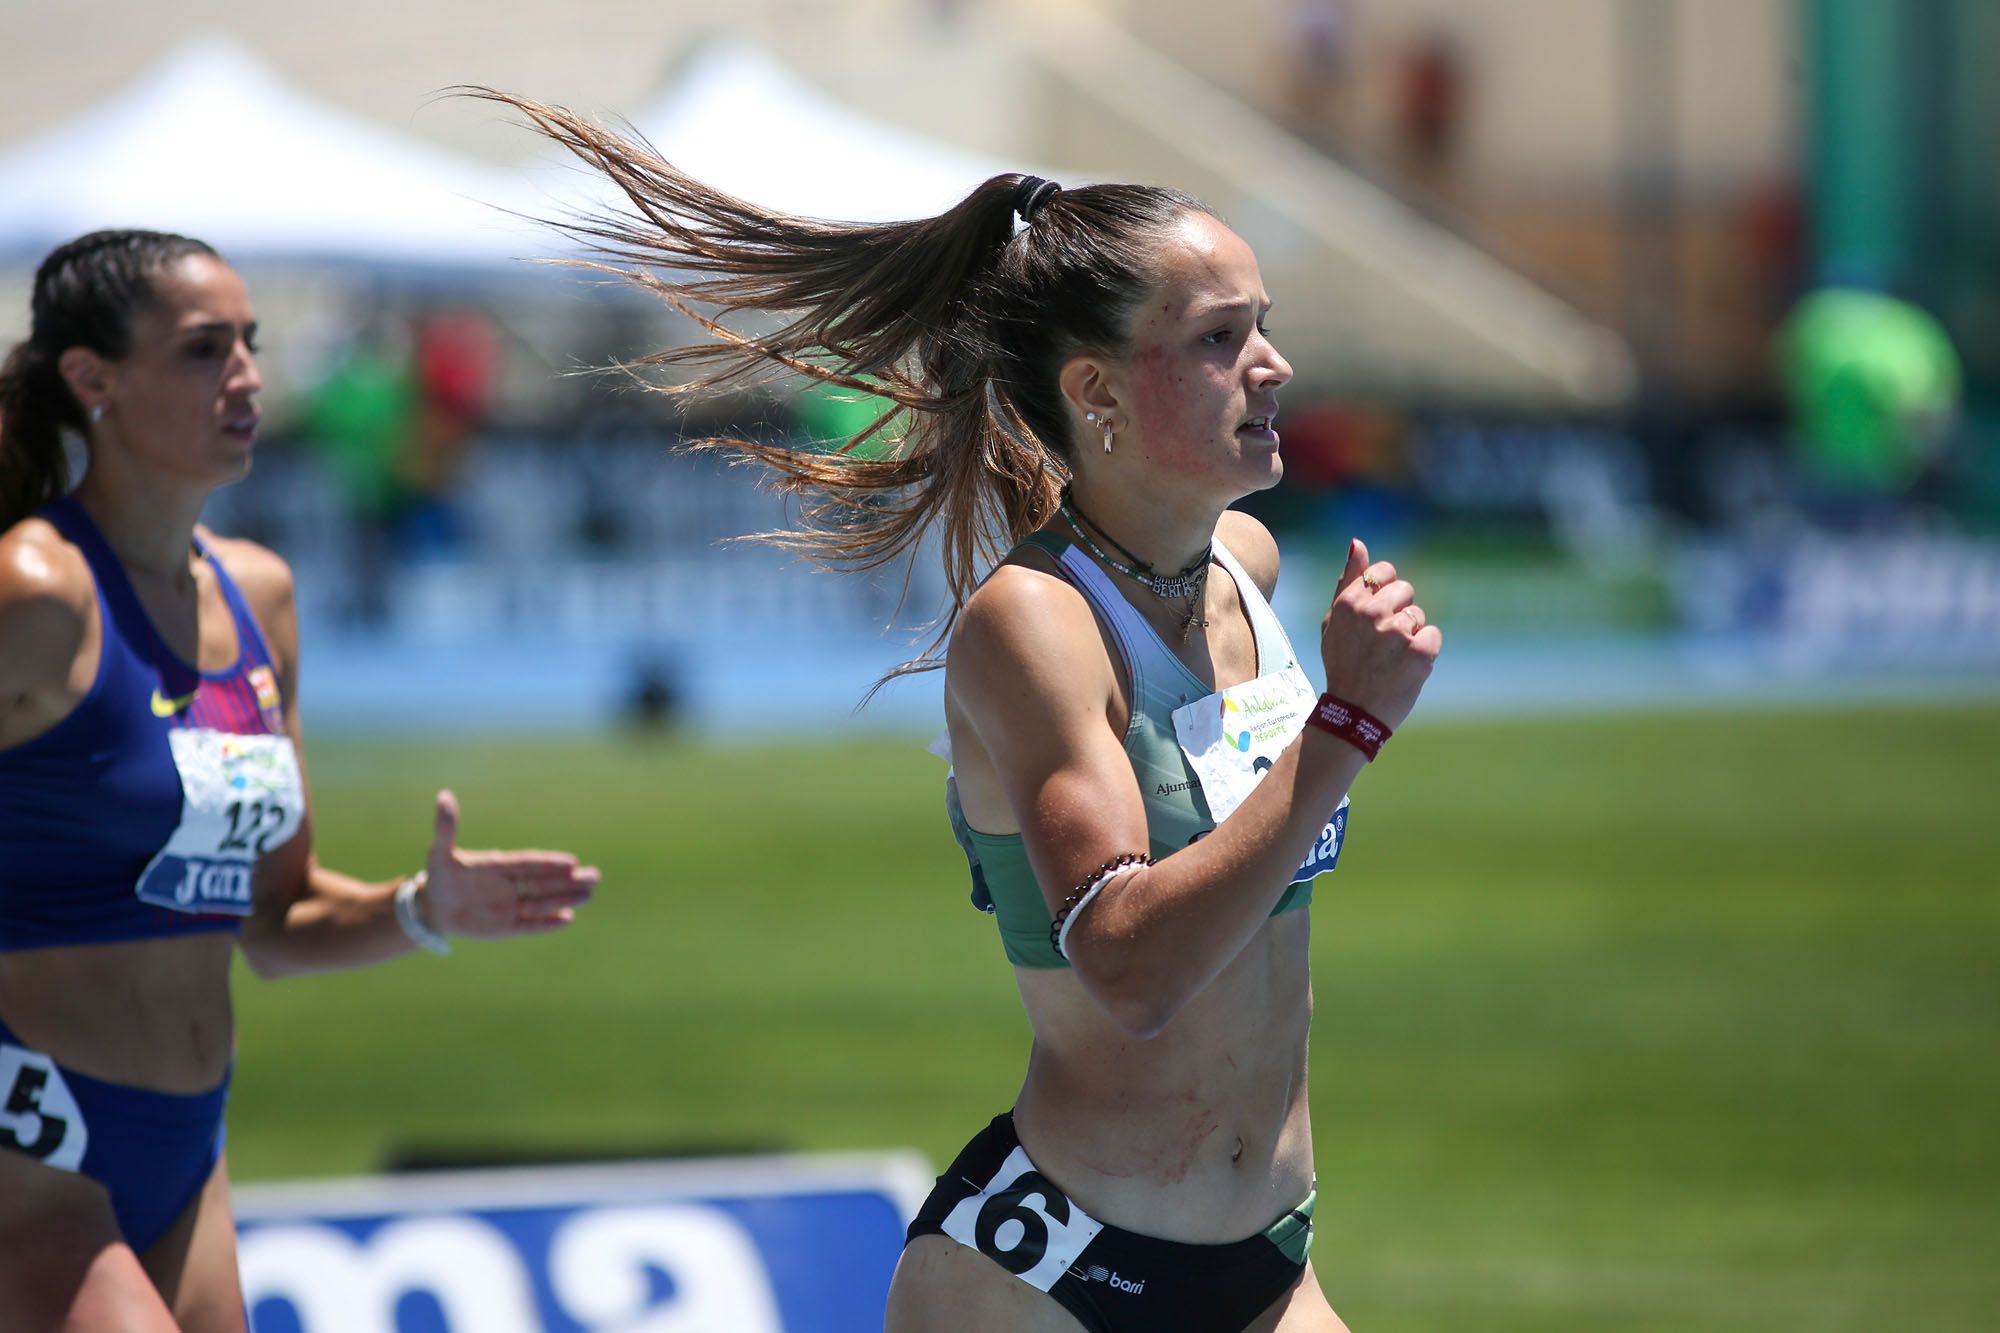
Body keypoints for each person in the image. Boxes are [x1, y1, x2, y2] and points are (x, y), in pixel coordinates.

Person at [488, 91, 1440, 1330]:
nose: (1272, 365)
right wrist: (1346, 732)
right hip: (1053, 1275)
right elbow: (1128, 966)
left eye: (1263, 327)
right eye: (1217, 338)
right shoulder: (1030, 624)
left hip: (1265, 1260)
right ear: (1094, 389)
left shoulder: (1247, 570)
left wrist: (1336, 725)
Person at [0, 229, 600, 1332]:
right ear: (93, 381)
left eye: (251, 343)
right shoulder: (36, 590)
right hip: (33, 1143)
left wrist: (423, 910)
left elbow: (277, 920)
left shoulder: (260, 598)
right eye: (201, 349)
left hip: (186, 1146)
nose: (248, 376)